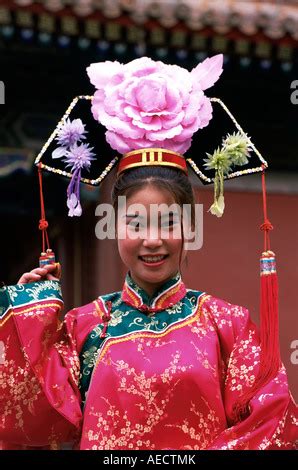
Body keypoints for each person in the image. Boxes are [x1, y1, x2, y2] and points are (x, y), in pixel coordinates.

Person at [0, 55, 297, 450]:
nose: (152, 240)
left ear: (190, 228)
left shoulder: (228, 326)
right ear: (114, 226)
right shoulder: (83, 327)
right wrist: (31, 319)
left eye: (168, 222)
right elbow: (32, 426)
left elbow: (273, 422)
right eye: (136, 223)